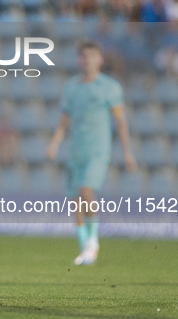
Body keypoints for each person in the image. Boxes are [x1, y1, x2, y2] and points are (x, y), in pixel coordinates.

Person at [45, 41, 137, 265]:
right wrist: (55, 144)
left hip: (98, 150)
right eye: (83, 56)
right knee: (76, 200)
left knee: (86, 190)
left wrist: (127, 152)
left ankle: (93, 243)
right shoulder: (71, 87)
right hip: (77, 149)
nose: (87, 60)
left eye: (91, 56)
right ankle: (84, 247)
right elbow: (64, 118)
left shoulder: (110, 87)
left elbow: (121, 122)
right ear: (79, 60)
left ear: (100, 60)